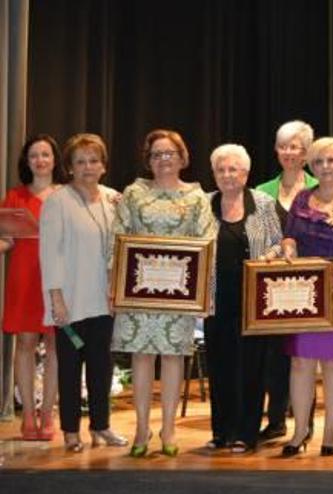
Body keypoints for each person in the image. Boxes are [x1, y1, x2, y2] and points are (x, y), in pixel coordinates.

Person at [111, 129, 217, 457]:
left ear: (182, 157)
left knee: (173, 357)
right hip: (137, 292)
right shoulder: (133, 193)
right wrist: (112, 286)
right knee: (141, 357)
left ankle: (168, 428)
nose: (163, 160)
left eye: (169, 153)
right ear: (149, 160)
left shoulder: (197, 197)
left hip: (179, 293)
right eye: (156, 154)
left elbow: (207, 244)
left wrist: (204, 294)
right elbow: (117, 238)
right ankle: (142, 428)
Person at [277, 137, 333, 458]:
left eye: (331, 161)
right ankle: (299, 430)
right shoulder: (302, 198)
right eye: (318, 162)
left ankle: (330, 431)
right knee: (300, 362)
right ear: (311, 167)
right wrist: (288, 249)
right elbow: (289, 236)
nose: (325, 167)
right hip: (303, 290)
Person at [39, 133, 128, 452]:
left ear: (103, 165)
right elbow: (49, 254)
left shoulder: (113, 199)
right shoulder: (57, 201)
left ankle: (101, 426)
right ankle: (71, 432)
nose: (88, 167)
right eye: (80, 162)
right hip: (70, 301)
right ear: (70, 167)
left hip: (103, 299)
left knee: (102, 366)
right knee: (69, 367)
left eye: (94, 160)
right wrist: (56, 299)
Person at [205, 144, 284, 453]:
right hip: (214, 299)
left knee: (250, 367)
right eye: (221, 169)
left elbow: (281, 242)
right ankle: (221, 431)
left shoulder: (263, 203)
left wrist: (268, 257)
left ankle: (246, 433)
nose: (227, 175)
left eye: (233, 169)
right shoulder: (204, 204)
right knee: (219, 365)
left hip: (253, 301)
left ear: (246, 173)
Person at [255, 120, 318, 442]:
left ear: (306, 152)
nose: (289, 152)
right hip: (273, 289)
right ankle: (276, 419)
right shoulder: (262, 192)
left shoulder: (321, 188)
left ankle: (305, 425)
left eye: (295, 146)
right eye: (284, 146)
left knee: (305, 354)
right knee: (275, 355)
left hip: (309, 288)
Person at [1, 135, 64, 441]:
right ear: (26, 162)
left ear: (55, 160)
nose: (40, 160)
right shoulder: (14, 197)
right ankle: (27, 416)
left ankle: (48, 415)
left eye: (45, 155)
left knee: (55, 345)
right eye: (34, 156)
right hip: (24, 277)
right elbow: (7, 241)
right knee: (24, 344)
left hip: (58, 279)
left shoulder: (67, 195)